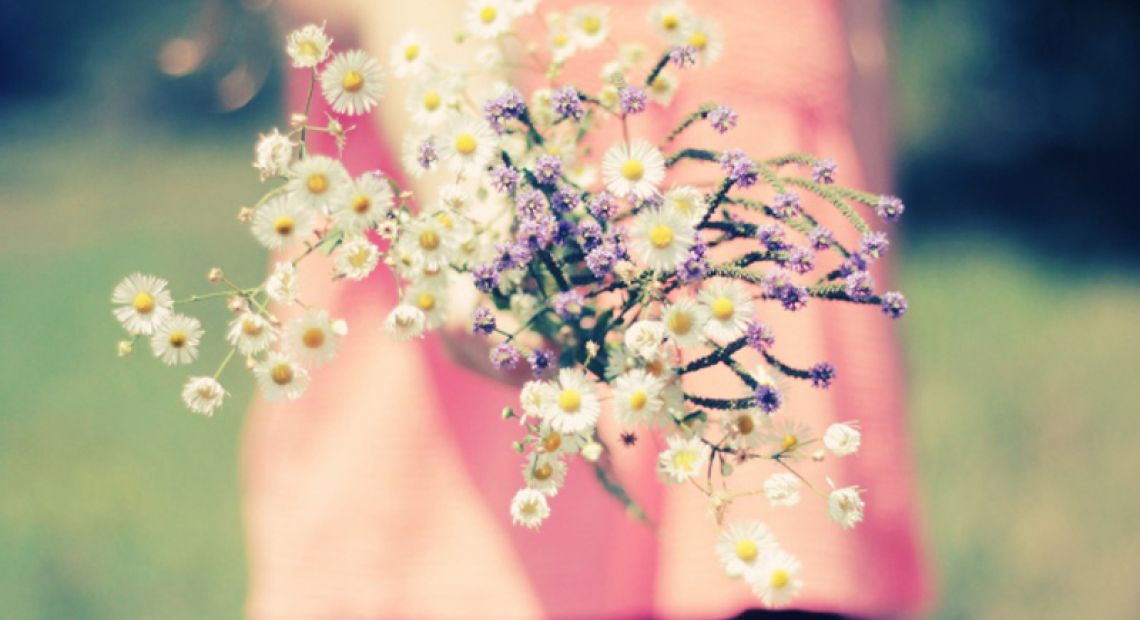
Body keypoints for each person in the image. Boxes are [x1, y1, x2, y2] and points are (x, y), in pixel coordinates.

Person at [243, 1, 931, 617]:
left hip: (760, 261)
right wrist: (480, 224)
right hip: (499, 211)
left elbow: (861, 60)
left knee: (774, 579)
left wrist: (868, 317)